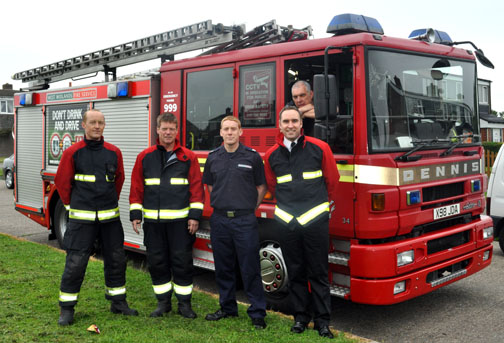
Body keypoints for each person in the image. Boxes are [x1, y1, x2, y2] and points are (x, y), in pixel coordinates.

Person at [55, 109, 137, 326]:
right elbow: (62, 183)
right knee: (76, 263)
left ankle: (118, 302)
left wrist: (108, 202)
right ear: (84, 125)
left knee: (116, 260)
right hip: (82, 220)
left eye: (100, 122)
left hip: (110, 219)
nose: (97, 126)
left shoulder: (113, 152)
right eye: (92, 122)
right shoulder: (73, 152)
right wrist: (75, 207)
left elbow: (118, 180)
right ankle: (67, 308)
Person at [264, 106, 339, 339]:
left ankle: (322, 321)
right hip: (287, 222)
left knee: (317, 271)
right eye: (285, 121)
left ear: (301, 123)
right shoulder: (271, 155)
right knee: (295, 272)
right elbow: (272, 186)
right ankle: (300, 318)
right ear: (279, 125)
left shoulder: (320, 148)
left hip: (315, 221)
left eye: (294, 121)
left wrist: (322, 210)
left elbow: (332, 181)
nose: (290, 125)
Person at [129, 113, 204, 319]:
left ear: (177, 130)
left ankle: (184, 305)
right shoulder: (145, 157)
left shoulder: (188, 157)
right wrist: (136, 214)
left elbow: (197, 189)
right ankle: (163, 303)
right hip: (154, 223)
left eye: (172, 129)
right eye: (164, 128)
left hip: (180, 224)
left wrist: (194, 216)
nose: (168, 132)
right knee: (157, 262)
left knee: (182, 263)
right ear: (157, 130)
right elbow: (137, 188)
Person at [202, 116, 268, 330]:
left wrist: (248, 208)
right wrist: (224, 205)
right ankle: (228, 307)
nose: (229, 133)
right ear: (220, 133)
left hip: (244, 220)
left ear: (240, 132)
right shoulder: (213, 158)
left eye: (233, 129)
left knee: (250, 268)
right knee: (223, 267)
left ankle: (257, 313)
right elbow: (210, 187)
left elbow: (261, 188)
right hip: (220, 220)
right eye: (226, 129)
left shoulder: (252, 157)